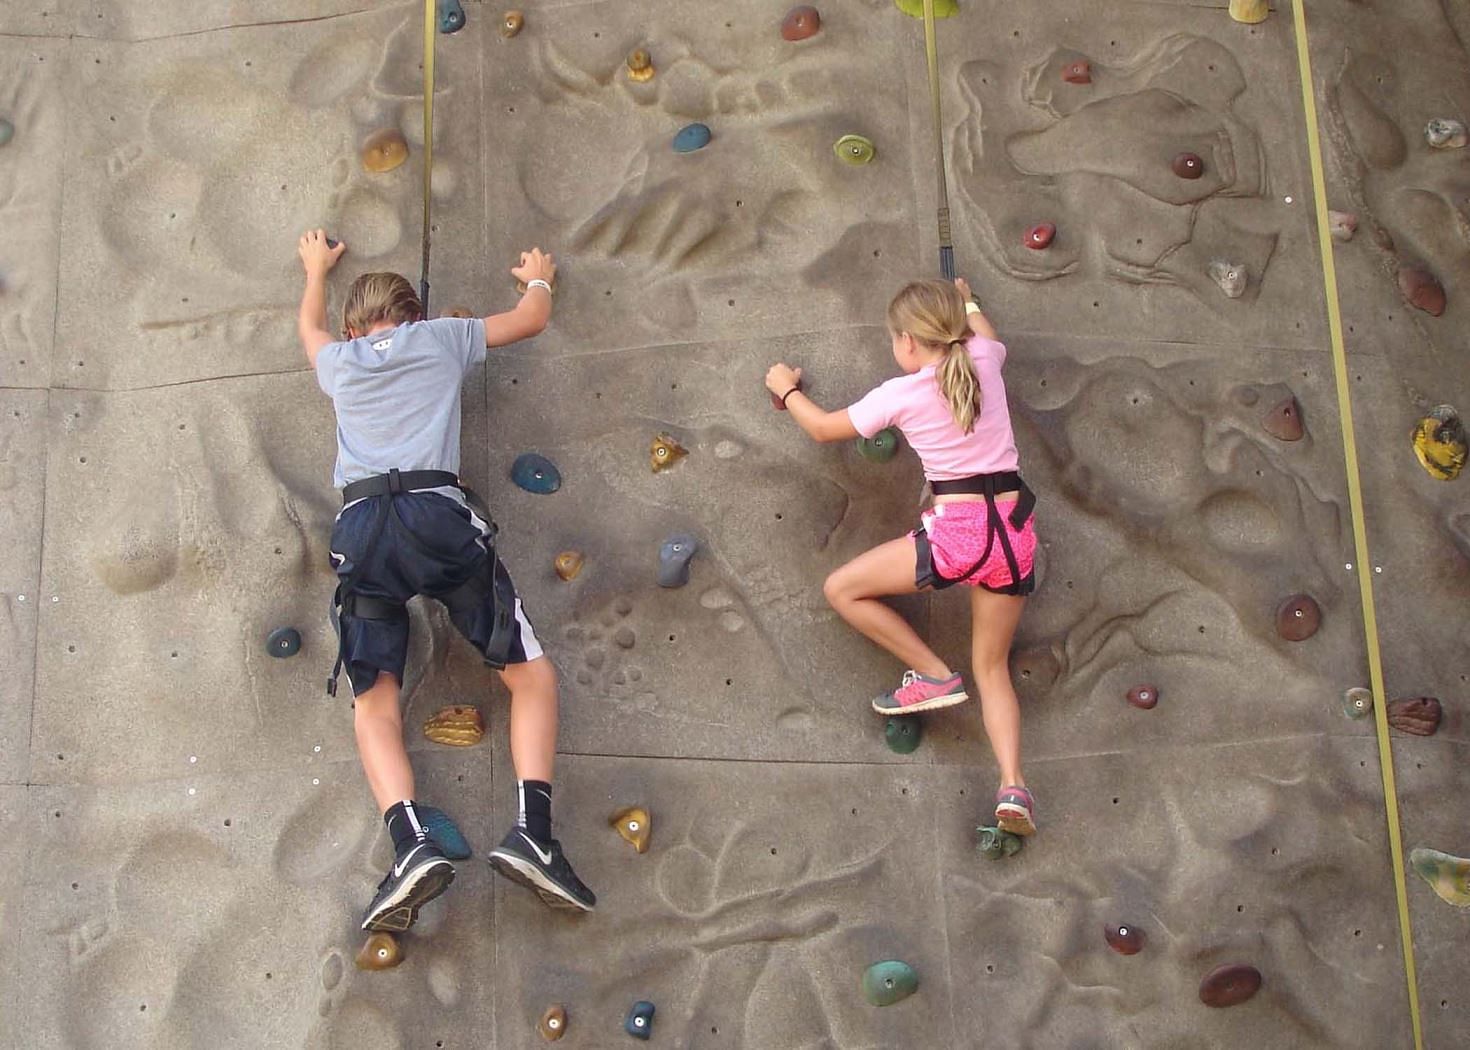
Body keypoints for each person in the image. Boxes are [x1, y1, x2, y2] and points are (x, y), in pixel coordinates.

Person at [295, 229, 595, 932]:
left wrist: (314, 270)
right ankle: (534, 835)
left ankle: (409, 846)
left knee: (375, 703)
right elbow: (529, 319)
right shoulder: (440, 339)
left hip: (364, 529)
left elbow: (306, 329)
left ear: (353, 326)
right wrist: (539, 274)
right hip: (437, 518)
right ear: (413, 316)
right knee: (530, 676)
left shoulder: (337, 361)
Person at [764, 278, 1039, 835]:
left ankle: (935, 675)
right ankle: (1013, 787)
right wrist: (967, 299)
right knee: (992, 669)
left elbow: (822, 429)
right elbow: (985, 334)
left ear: (909, 343)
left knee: (841, 589)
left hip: (958, 537)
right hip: (1014, 534)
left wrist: (785, 387)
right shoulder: (984, 356)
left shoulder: (902, 393)